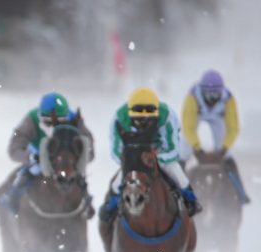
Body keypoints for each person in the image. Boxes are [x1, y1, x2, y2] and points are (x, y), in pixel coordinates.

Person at [100, 87, 202, 221]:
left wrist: (152, 159)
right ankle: (110, 206)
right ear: (130, 114)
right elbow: (115, 151)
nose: (142, 124)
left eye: (147, 121)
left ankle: (191, 200)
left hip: (159, 152)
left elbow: (172, 151)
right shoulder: (119, 118)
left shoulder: (168, 116)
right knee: (117, 182)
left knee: (177, 173)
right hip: (132, 154)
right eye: (138, 120)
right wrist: (132, 160)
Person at [3, 92, 95, 217]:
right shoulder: (31, 120)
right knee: (33, 170)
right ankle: (13, 198)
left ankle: (86, 202)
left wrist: (80, 158)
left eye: (61, 122)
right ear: (40, 118)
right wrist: (29, 157)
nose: (54, 127)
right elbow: (14, 149)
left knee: (76, 175)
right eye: (48, 123)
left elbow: (89, 146)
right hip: (38, 155)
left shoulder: (75, 120)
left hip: (65, 159)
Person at [181, 69, 249, 204]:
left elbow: (233, 128)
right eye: (208, 95)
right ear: (202, 91)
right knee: (184, 151)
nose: (212, 99)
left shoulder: (228, 99)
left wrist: (224, 149)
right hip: (198, 116)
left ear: (221, 92)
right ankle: (177, 188)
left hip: (218, 118)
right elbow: (188, 127)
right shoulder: (192, 97)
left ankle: (240, 192)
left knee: (228, 155)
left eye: (216, 95)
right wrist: (197, 148)